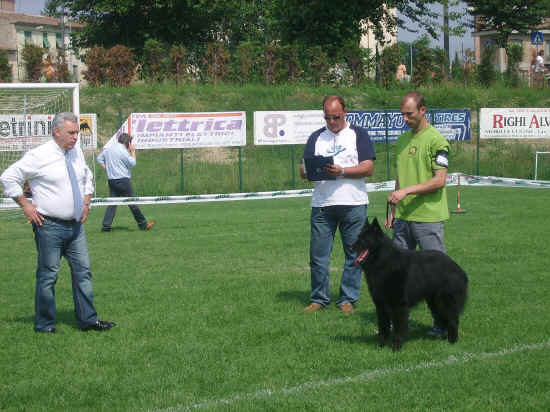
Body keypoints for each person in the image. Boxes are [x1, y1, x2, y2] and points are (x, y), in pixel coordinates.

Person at [0, 112, 116, 333]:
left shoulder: (76, 152)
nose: (75, 137)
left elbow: (86, 177)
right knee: (48, 276)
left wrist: (86, 201)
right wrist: (25, 205)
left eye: (77, 133)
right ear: (57, 132)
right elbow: (8, 177)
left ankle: (89, 321)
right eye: (71, 133)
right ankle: (44, 325)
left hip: (75, 227)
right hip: (49, 227)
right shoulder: (39, 155)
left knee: (83, 272)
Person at [300, 95, 376, 314]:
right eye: (327, 118)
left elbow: (368, 168)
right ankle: (318, 299)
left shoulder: (358, 134)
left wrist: (342, 171)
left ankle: (347, 299)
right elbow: (302, 168)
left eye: (336, 117)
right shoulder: (316, 137)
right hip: (322, 205)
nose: (332, 122)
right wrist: (309, 170)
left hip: (354, 204)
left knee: (355, 254)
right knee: (318, 255)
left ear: (345, 113)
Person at [385, 91, 450, 336]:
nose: (404, 118)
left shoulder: (437, 141)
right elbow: (400, 178)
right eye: (402, 114)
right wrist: (393, 206)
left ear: (423, 110)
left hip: (428, 219)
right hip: (403, 218)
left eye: (409, 114)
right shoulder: (402, 141)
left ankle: (442, 323)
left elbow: (439, 181)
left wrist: (406, 192)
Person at [97, 133, 155, 232]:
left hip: (112, 180)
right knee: (132, 203)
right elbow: (133, 163)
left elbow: (99, 158)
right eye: (130, 143)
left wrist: (107, 169)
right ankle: (143, 225)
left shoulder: (109, 149)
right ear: (128, 142)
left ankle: (106, 227)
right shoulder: (123, 151)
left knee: (112, 204)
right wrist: (133, 151)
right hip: (123, 180)